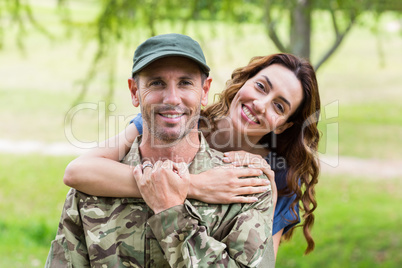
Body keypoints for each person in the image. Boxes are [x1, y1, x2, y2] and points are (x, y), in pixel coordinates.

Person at [46, 33, 275, 267]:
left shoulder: (245, 189)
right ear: (134, 91)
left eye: (185, 83)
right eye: (157, 83)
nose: (172, 98)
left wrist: (171, 214)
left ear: (205, 90)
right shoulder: (90, 187)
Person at [63, 50, 321, 257]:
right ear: (244, 83)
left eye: (278, 106)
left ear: (284, 124)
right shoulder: (177, 121)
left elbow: (262, 262)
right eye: (261, 87)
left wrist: (270, 193)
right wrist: (193, 185)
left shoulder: (279, 176)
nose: (260, 105)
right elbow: (79, 170)